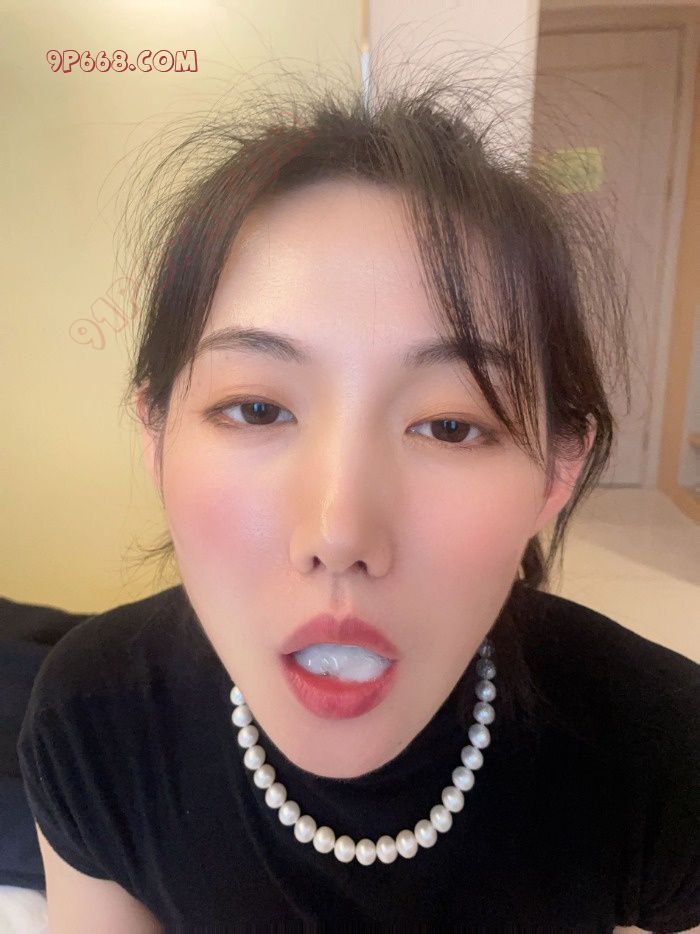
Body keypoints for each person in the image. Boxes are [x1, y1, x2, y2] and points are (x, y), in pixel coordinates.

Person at [17, 64, 700, 931]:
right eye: (257, 409)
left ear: (558, 472)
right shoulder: (93, 721)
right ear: (155, 436)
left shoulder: (660, 750)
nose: (338, 531)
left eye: (450, 426)